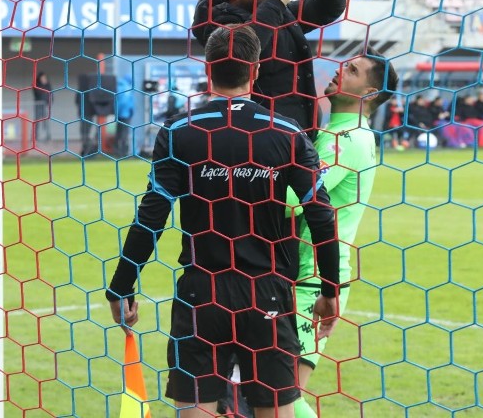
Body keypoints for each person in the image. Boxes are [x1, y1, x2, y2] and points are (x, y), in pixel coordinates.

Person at [106, 25, 340, 418]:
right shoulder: (285, 131)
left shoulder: (180, 130)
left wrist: (122, 285)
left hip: (201, 293)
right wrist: (330, 288)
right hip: (265, 292)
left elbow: (153, 213)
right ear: (257, 69)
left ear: (208, 68)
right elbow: (320, 213)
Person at [288, 48, 398, 417]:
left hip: (312, 278)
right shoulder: (340, 132)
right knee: (269, 393)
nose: (340, 71)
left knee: (281, 397)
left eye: (352, 70)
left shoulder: (346, 139)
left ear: (368, 94)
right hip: (309, 274)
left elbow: (292, 200)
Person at [191, 0, 347, 140]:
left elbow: (330, 8)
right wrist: (276, 2)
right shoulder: (220, 24)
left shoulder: (280, 12)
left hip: (297, 134)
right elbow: (242, 51)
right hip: (260, 138)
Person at [115, 75, 134, 157]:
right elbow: (127, 102)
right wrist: (131, 111)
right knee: (124, 134)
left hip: (118, 114)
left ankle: (118, 151)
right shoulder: (127, 88)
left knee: (119, 133)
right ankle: (123, 153)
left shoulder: (118, 87)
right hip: (126, 114)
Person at [33, 71, 52, 143]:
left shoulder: (48, 84)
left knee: (45, 121)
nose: (44, 79)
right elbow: (37, 93)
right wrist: (43, 85)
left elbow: (50, 93)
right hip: (38, 104)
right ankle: (35, 137)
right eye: (42, 78)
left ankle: (47, 136)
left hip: (45, 104)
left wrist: (50, 102)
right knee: (37, 120)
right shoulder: (36, 84)